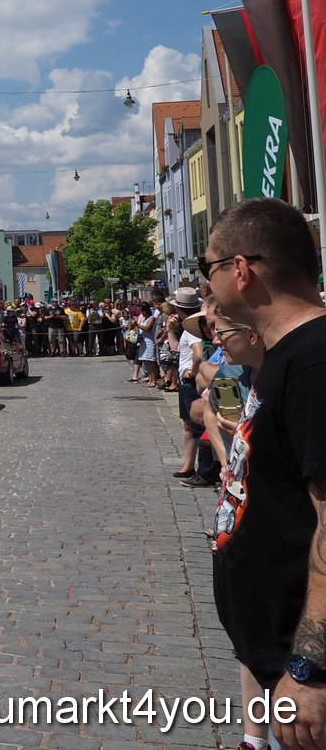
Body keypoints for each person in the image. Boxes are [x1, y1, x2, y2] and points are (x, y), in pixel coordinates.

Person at [203, 197, 326, 745]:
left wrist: (311, 670)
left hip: (304, 679)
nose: (206, 285)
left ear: (240, 269)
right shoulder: (282, 355)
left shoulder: (315, 362)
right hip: (274, 659)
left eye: (207, 267)